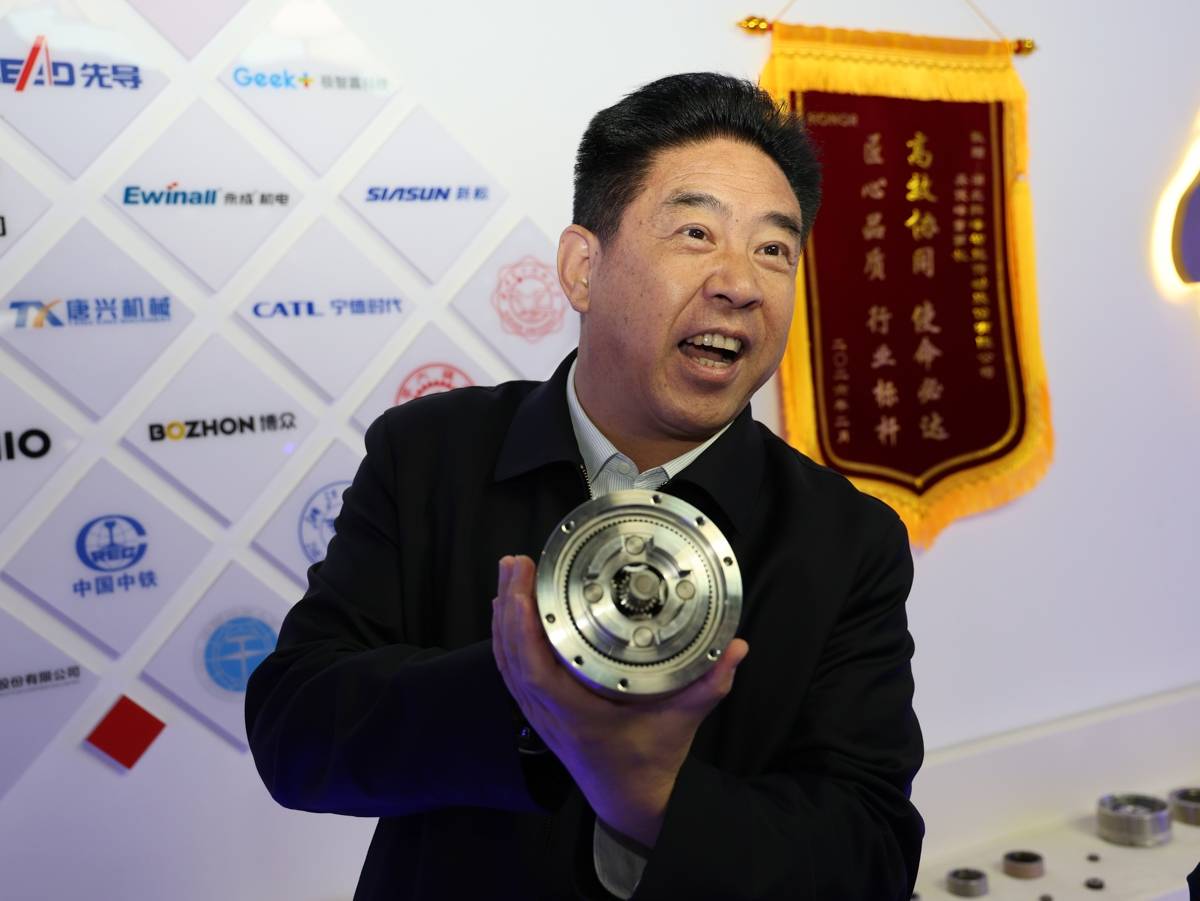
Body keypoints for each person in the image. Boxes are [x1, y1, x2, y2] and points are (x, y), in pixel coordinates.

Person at [245, 71, 924, 900]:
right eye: (696, 232)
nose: (741, 283)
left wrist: (651, 794)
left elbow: (870, 855)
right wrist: (531, 703)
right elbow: (296, 732)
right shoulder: (429, 453)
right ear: (581, 268)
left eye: (774, 249)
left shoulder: (846, 540)